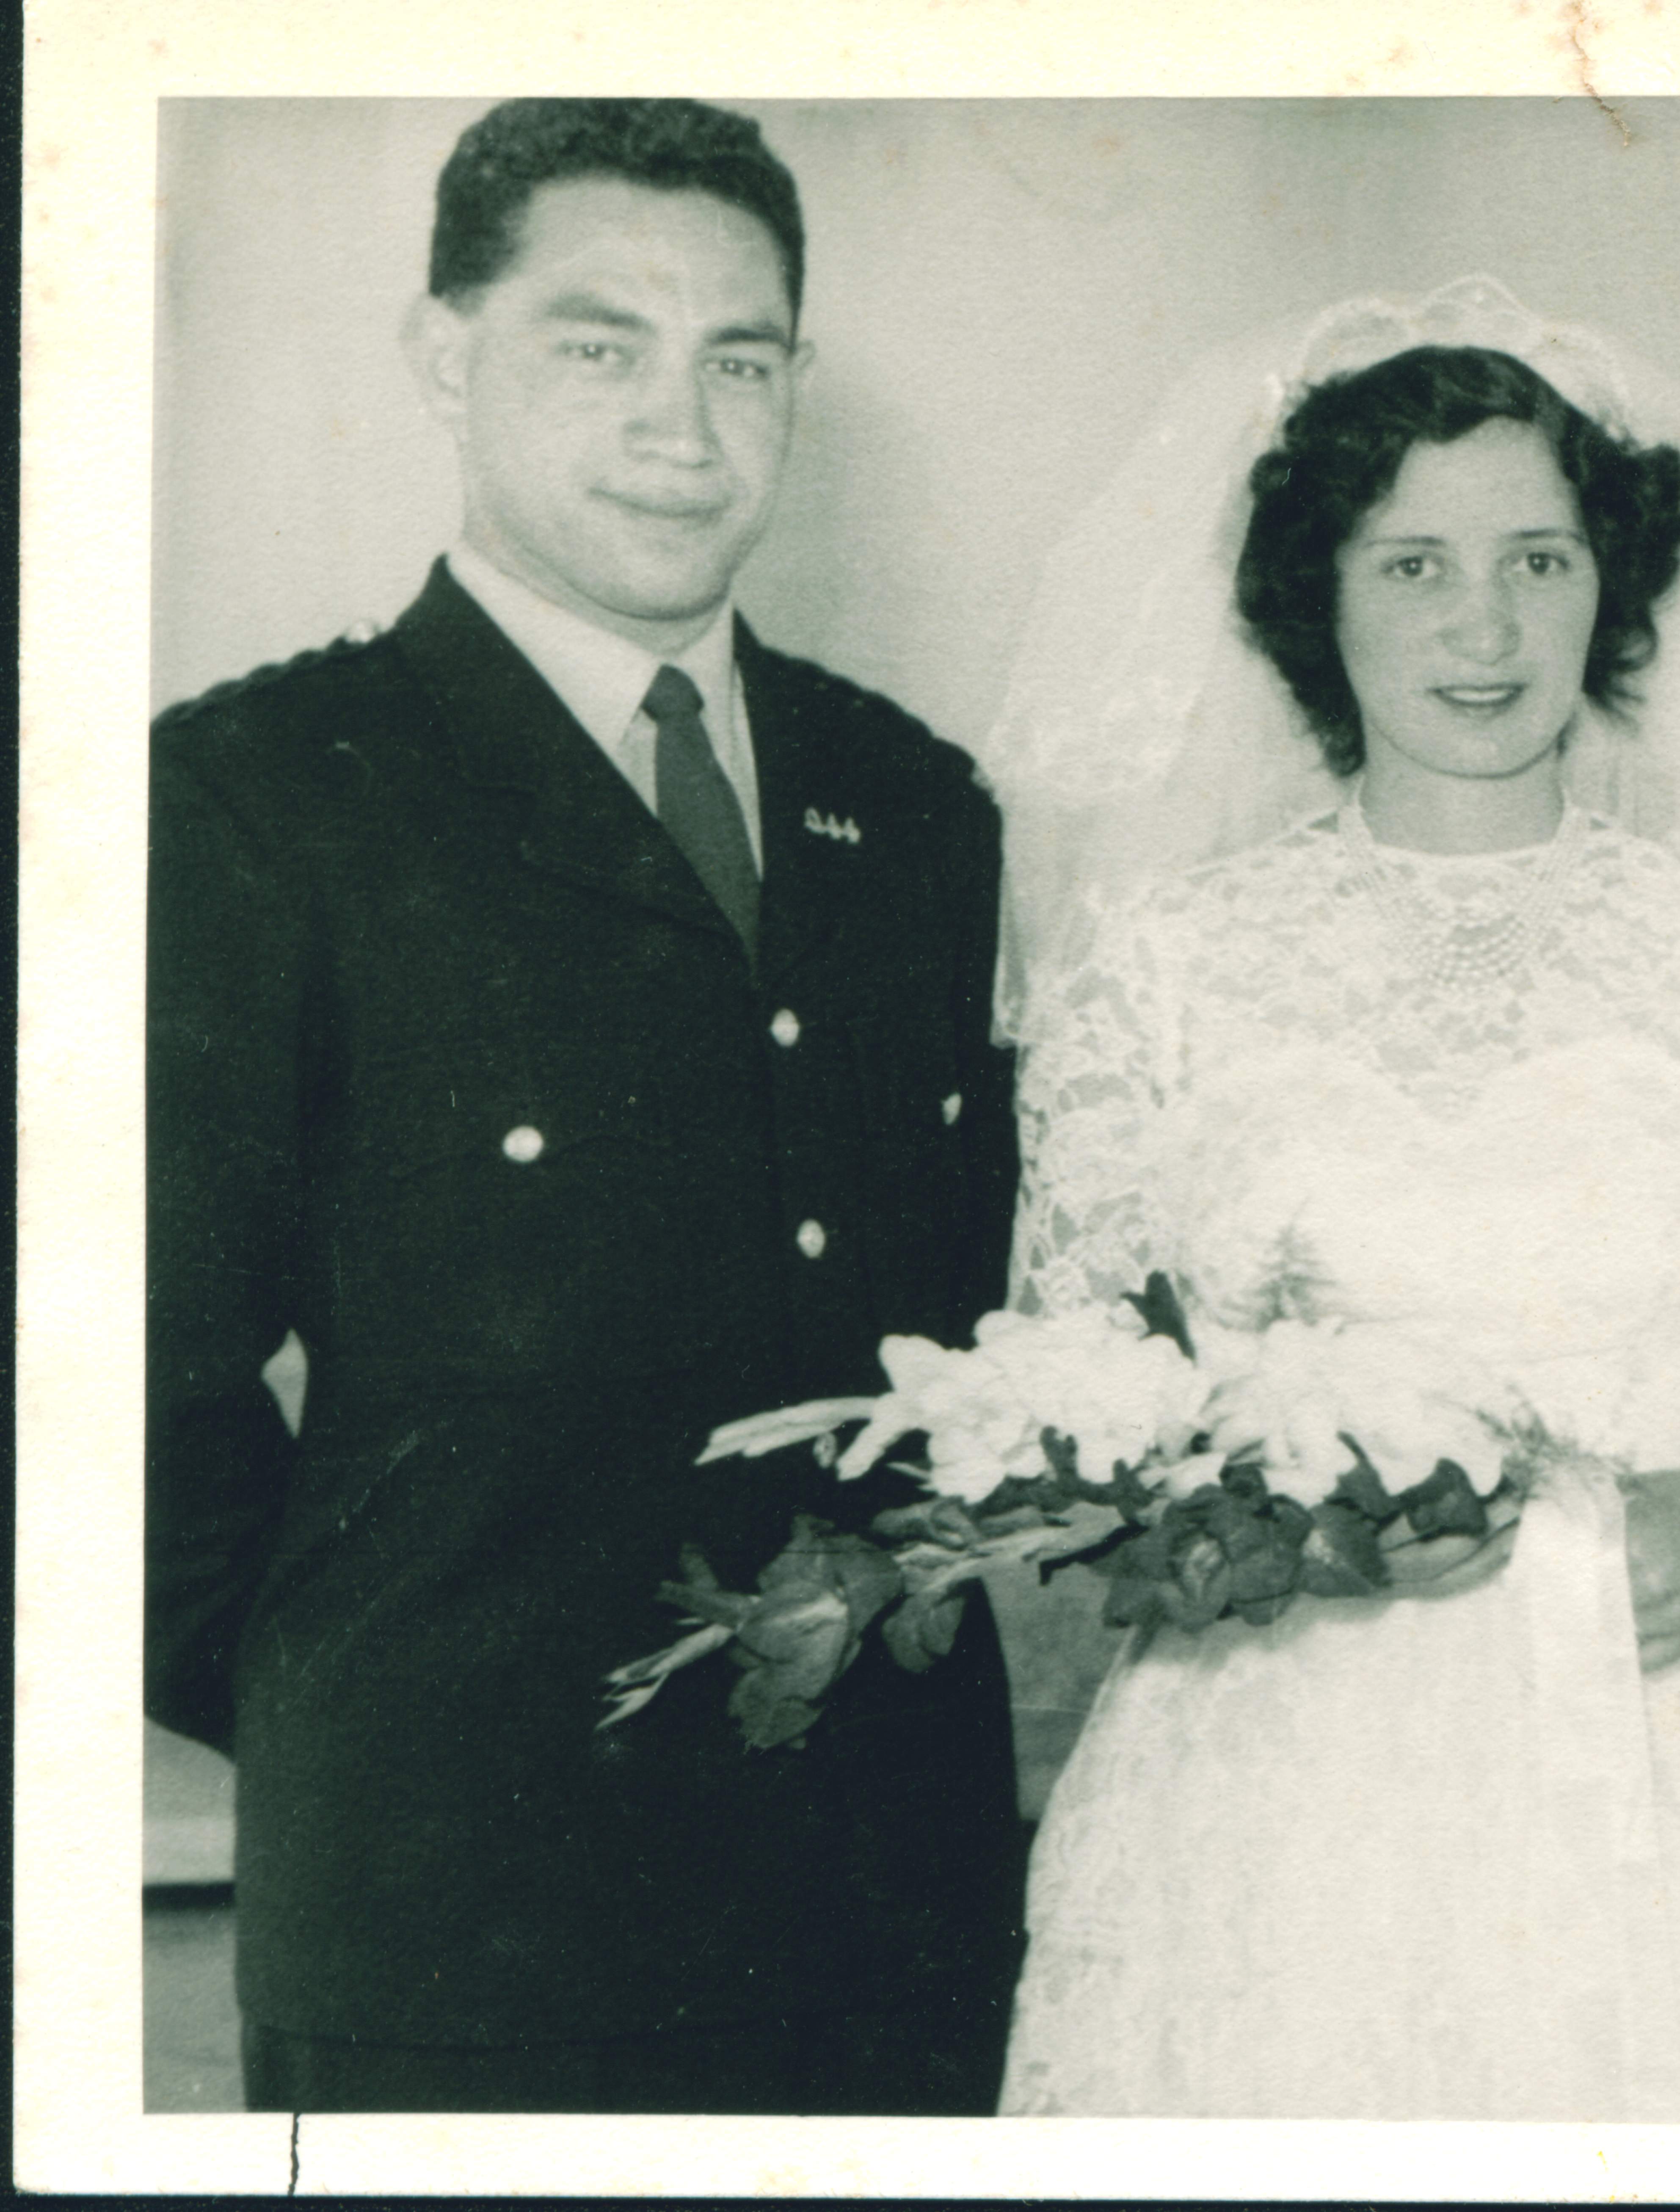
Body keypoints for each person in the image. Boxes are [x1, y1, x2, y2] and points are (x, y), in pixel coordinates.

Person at [976, 278, 1680, 2124]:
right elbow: (1069, 1388)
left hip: (1671, 1756)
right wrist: (1266, 1523)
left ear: (1613, 585)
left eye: (1539, 558)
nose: (1485, 625)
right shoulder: (1165, 971)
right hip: (1273, 1771)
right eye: (1411, 565)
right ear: (1312, 598)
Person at [147, 98, 1025, 2113]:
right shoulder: (260, 798)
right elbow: (115, 1388)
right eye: (596, 343)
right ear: (444, 357)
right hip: (464, 1920)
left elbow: (965, 1338)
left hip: (889, 1909)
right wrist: (353, 1718)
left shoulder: (910, 808)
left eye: (741, 358)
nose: (682, 425)